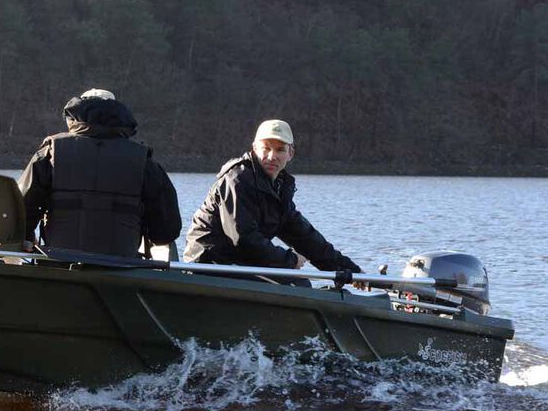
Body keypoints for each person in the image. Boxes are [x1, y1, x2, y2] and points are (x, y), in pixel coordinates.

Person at [184, 119, 362, 274]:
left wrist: (351, 271)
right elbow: (243, 238)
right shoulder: (237, 180)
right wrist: (289, 260)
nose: (272, 156)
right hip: (208, 263)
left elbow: (305, 238)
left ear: (290, 153)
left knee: (299, 284)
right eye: (266, 148)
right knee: (295, 285)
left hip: (238, 262)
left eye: (279, 150)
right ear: (254, 148)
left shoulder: (279, 189)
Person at [19, 88, 182, 258]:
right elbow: (166, 232)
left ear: (74, 114)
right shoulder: (144, 161)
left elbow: (21, 212)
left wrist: (28, 238)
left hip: (59, 263)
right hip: (123, 267)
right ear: (119, 115)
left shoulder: (51, 152)